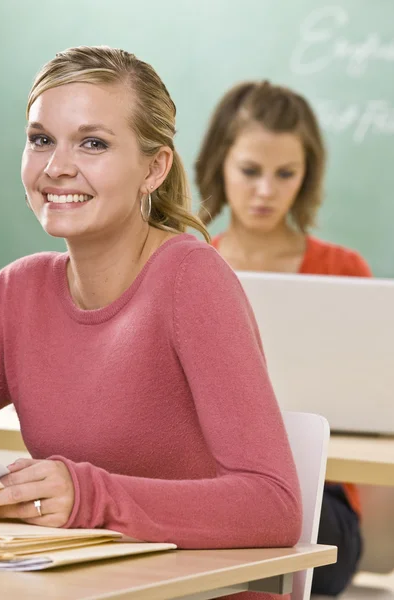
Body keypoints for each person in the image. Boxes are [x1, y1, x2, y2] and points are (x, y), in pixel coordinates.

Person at [0, 47, 301, 600]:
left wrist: (87, 497)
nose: (56, 167)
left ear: (155, 167)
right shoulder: (16, 293)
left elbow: (274, 504)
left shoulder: (190, 278)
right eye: (41, 139)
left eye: (92, 142)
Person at [195, 80, 369, 596]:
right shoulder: (183, 268)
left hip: (319, 506)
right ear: (221, 165)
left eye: (285, 174)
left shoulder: (342, 273)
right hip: (203, 491)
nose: (266, 191)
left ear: (306, 176)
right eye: (250, 171)